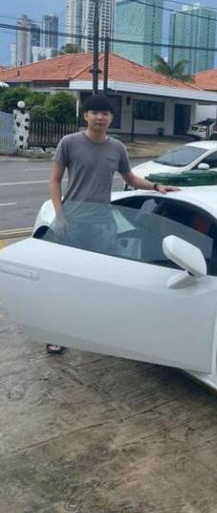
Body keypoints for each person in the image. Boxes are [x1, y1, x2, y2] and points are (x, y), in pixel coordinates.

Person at [46, 93, 178, 354]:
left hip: (103, 225)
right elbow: (54, 180)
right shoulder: (69, 143)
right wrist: (59, 215)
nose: (100, 117)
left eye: (104, 113)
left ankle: (95, 330)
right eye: (94, 112)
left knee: (98, 279)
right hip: (72, 222)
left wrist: (156, 186)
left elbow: (130, 178)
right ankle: (57, 333)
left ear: (111, 118)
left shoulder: (117, 148)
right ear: (86, 116)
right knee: (65, 280)